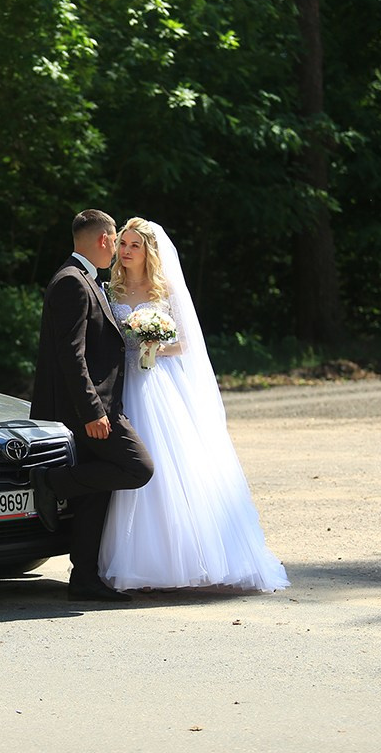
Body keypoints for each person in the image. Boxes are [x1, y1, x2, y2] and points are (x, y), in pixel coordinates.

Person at [98, 217, 289, 592]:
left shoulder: (164, 289)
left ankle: (181, 558)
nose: (126, 251)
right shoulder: (110, 290)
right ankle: (139, 561)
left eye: (135, 245)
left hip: (158, 382)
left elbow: (184, 342)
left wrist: (153, 347)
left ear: (149, 251)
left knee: (169, 464)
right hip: (122, 384)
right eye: (123, 244)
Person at [30, 209, 155, 602]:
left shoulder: (85, 278)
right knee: (137, 467)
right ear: (104, 239)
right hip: (89, 410)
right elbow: (72, 356)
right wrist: (93, 413)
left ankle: (84, 578)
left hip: (97, 405)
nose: (116, 248)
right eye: (115, 240)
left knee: (95, 492)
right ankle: (51, 483)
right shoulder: (72, 281)